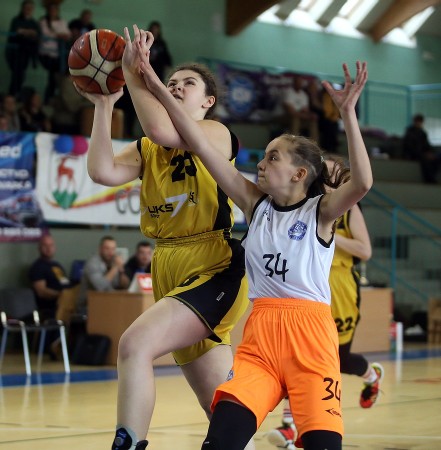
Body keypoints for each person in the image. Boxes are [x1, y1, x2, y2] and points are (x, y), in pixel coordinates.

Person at [136, 30, 371, 450]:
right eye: (262, 156)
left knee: (323, 444)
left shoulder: (321, 213)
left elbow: (363, 183)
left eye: (272, 157)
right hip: (260, 340)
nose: (260, 164)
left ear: (300, 174)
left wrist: (348, 115)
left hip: (311, 341)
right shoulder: (253, 203)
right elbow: (197, 142)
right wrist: (153, 83)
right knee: (220, 441)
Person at [74, 24, 251, 450]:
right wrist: (105, 104)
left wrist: (136, 74)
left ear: (207, 101)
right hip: (167, 261)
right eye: (171, 82)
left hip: (213, 261)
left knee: (135, 344)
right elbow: (101, 171)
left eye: (187, 84)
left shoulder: (216, 133)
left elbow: (162, 129)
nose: (176, 86)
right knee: (220, 411)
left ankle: (128, 443)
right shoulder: (147, 148)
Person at [266, 154, 384, 450]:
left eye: (332, 175)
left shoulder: (348, 209)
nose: (327, 180)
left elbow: (365, 250)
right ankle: (290, 425)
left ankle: (372, 376)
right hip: (306, 285)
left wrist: (326, 229)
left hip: (340, 286)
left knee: (338, 358)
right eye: (323, 174)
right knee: (299, 355)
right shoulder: (302, 205)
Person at [29, 234, 71, 355]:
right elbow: (41, 291)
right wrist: (60, 295)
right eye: (45, 245)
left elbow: (65, 283)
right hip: (50, 306)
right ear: (39, 248)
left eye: (51, 245)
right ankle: (56, 345)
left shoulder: (57, 266)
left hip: (65, 302)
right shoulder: (38, 267)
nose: (48, 248)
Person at [76, 236, 130, 315]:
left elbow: (124, 285)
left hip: (107, 302)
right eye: (107, 249)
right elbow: (100, 287)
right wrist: (115, 267)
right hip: (87, 306)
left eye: (113, 249)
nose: (110, 252)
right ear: (100, 249)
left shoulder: (113, 261)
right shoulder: (92, 263)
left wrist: (121, 271)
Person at [4, 0, 40, 97]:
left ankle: (14, 96)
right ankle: (12, 95)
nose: (28, 10)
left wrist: (24, 32)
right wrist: (29, 32)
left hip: (26, 53)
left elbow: (36, 34)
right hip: (15, 52)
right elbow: (17, 32)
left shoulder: (33, 22)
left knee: (21, 75)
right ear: (22, 9)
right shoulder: (16, 20)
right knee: (17, 75)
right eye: (26, 8)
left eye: (30, 8)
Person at [38, 1, 71, 103]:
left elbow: (67, 34)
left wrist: (59, 35)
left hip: (58, 54)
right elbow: (46, 34)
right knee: (53, 77)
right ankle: (48, 98)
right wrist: (59, 35)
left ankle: (53, 98)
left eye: (55, 10)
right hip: (47, 52)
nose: (53, 12)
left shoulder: (62, 21)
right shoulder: (43, 21)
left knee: (58, 77)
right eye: (51, 10)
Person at [402, 114, 440, 184]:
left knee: (436, 158)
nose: (419, 123)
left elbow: (427, 145)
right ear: (414, 122)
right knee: (425, 159)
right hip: (412, 154)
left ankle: (432, 176)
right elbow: (409, 147)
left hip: (422, 153)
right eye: (418, 121)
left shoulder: (423, 133)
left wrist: (431, 152)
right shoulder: (410, 132)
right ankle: (429, 179)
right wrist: (423, 153)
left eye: (420, 122)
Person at [283, 75, 319, 143]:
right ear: (294, 82)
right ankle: (293, 144)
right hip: (283, 117)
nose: (299, 84)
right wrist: (305, 115)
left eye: (301, 82)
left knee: (313, 121)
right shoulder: (288, 92)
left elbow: (305, 111)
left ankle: (314, 145)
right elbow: (291, 112)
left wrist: (311, 115)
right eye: (298, 82)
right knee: (295, 119)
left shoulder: (304, 95)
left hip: (299, 117)